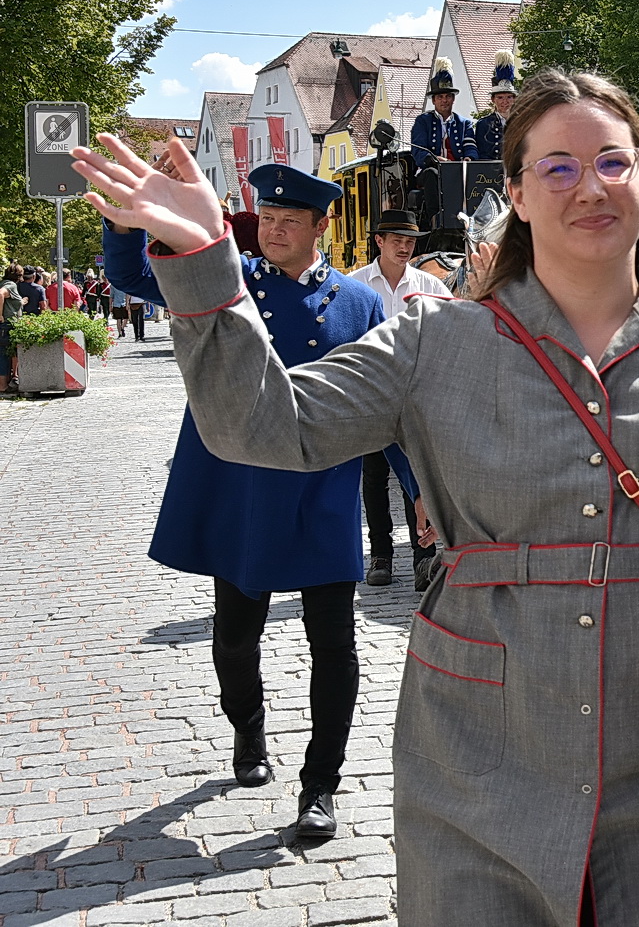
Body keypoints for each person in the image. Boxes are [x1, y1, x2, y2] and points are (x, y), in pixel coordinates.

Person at [78, 68, 639, 927]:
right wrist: (207, 258)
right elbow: (261, 423)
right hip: (475, 769)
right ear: (519, 194)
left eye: (612, 162)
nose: (590, 187)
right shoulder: (435, 340)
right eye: (559, 167)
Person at [99, 161, 401, 844]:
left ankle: (321, 784)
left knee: (335, 643)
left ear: (323, 226)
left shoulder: (359, 304)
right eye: (267, 217)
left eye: (290, 220)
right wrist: (124, 224)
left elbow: (391, 402)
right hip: (242, 488)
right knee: (236, 636)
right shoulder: (228, 279)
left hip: (321, 491)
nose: (274, 229)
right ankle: (248, 724)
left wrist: (424, 492)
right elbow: (134, 276)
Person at [349, 209, 450, 590]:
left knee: (418, 475)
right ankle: (381, 555)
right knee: (374, 476)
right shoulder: (356, 285)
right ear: (380, 241)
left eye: (409, 242)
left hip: (415, 397)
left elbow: (450, 335)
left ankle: (424, 559)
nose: (404, 247)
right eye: (397, 241)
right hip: (371, 395)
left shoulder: (430, 285)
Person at [409, 58, 480, 170]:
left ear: (453, 99)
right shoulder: (422, 121)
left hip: (458, 170)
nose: (444, 100)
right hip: (431, 170)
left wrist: (469, 158)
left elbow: (470, 147)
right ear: (433, 100)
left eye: (448, 96)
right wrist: (435, 160)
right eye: (440, 97)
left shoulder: (464, 123)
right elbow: (418, 150)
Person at [473, 50, 517, 163]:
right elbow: (483, 156)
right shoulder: (483, 124)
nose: (505, 102)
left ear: (514, 99)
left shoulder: (522, 122)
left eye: (509, 97)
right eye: (500, 97)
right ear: (493, 99)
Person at [1, 264, 22, 393]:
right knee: (4, 354)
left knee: (5, 353)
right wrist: (0, 315)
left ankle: (5, 383)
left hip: (6, 324)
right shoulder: (11, 285)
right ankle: (2, 385)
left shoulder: (3, 283)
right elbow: (0, 294)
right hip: (7, 324)